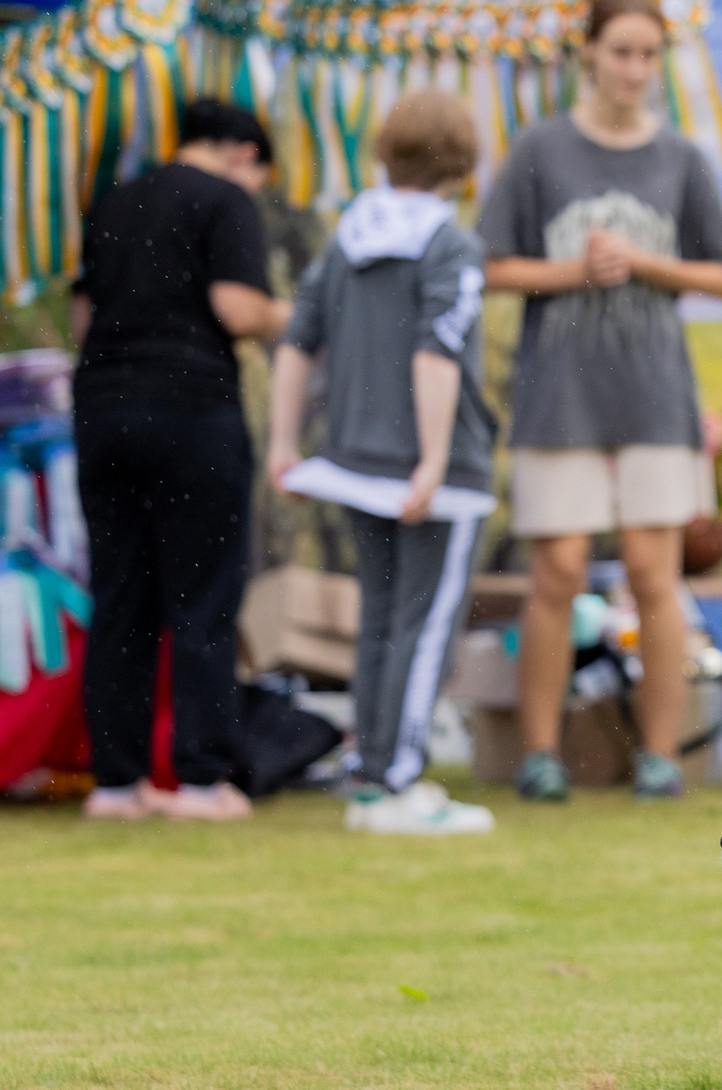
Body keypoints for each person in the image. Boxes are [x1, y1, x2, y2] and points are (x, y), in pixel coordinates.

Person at [479, 0, 722, 803]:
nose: (634, 69)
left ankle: (661, 756)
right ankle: (540, 754)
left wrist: (645, 263)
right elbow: (491, 264)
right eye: (620, 52)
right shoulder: (540, 148)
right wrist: (573, 272)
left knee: (652, 573)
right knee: (558, 573)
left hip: (654, 393)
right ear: (587, 55)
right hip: (559, 395)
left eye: (647, 54)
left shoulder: (680, 158)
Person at [266, 89, 498, 836]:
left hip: (354, 461)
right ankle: (396, 781)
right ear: (463, 164)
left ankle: (372, 772)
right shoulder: (451, 245)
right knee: (425, 623)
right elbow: (439, 351)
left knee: (380, 620)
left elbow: (297, 342)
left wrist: (282, 444)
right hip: (436, 469)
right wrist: (433, 461)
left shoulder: (346, 238)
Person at [70, 98, 290, 822]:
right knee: (202, 597)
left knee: (121, 595)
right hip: (192, 411)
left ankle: (115, 781)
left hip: (103, 408)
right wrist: (296, 318)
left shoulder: (116, 199)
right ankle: (202, 780)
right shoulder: (225, 200)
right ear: (242, 155)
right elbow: (236, 307)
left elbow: (82, 317)